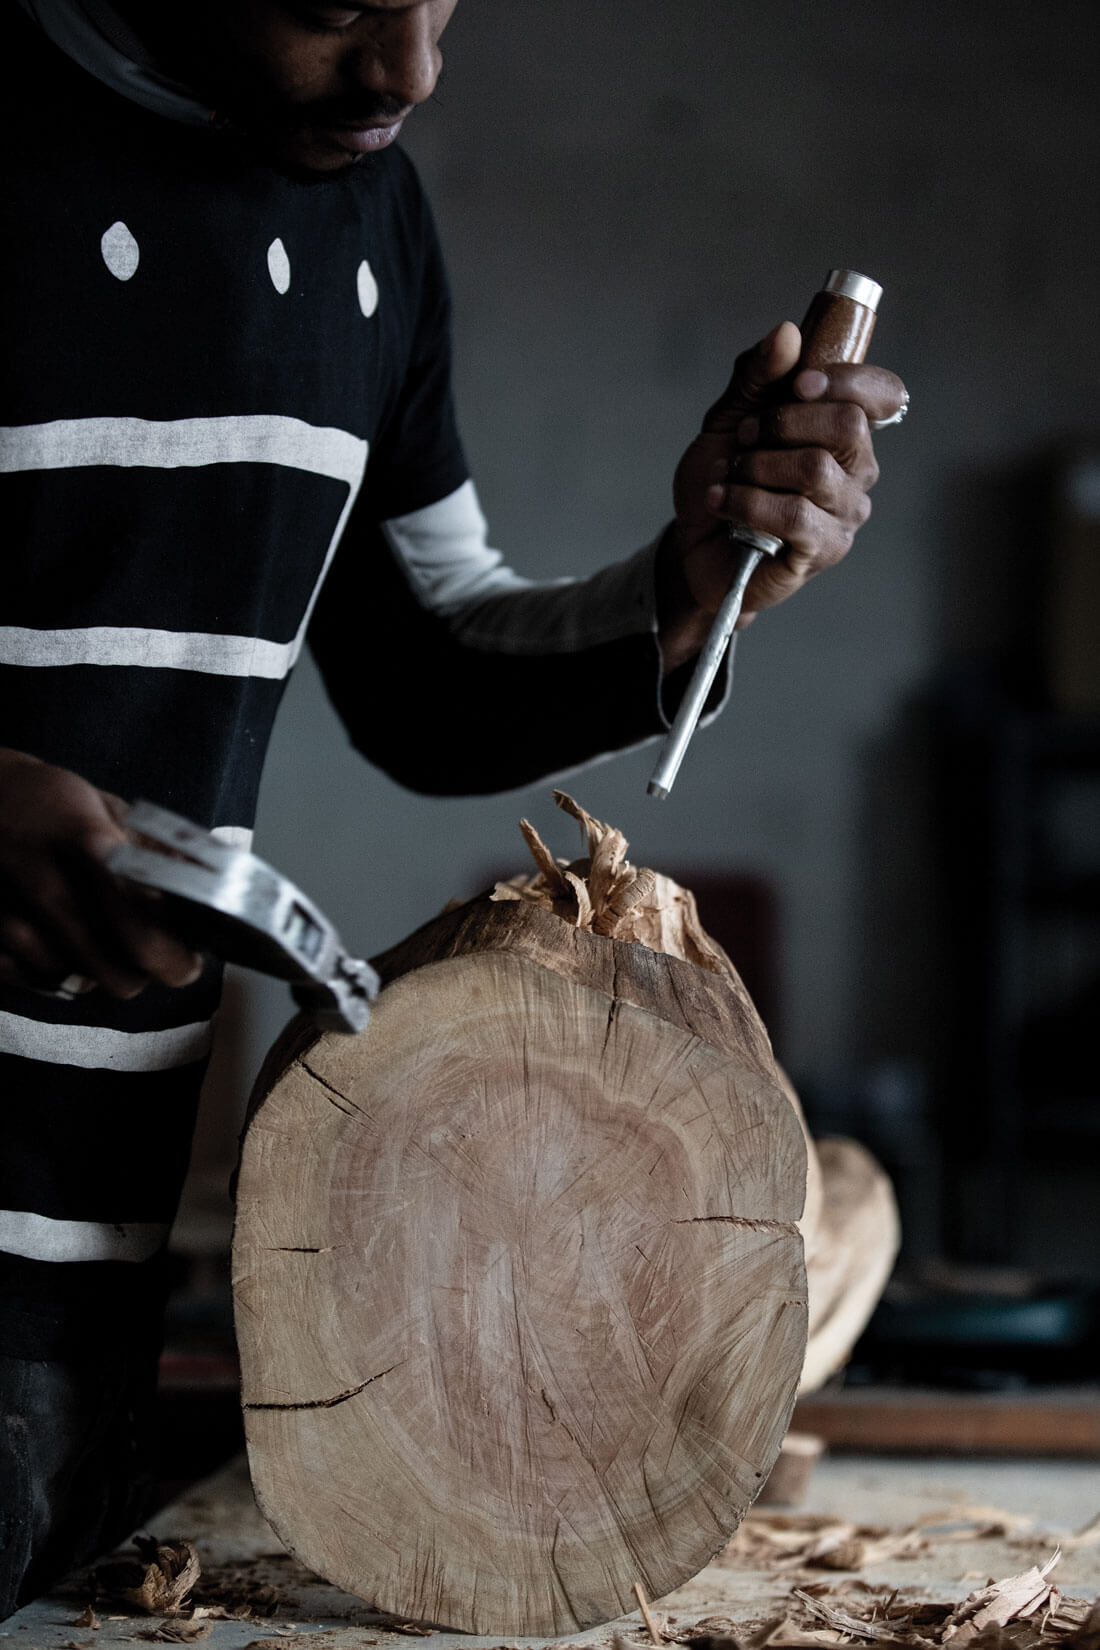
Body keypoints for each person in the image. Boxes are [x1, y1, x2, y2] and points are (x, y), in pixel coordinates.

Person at [0, 0, 907, 1618]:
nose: (409, 72)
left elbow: (424, 671)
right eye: (335, 4)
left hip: (89, 1269)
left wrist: (687, 596)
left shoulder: (362, 218)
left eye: (446, 0)